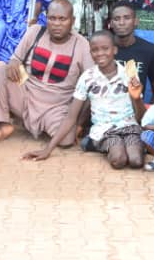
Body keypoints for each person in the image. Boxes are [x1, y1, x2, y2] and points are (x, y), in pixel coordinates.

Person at [23, 31, 146, 169]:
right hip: (105, 130)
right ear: (90, 53)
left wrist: (136, 99)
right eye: (95, 50)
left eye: (105, 48)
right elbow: (71, 117)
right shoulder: (87, 77)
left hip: (129, 127)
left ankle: (125, 145)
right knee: (119, 160)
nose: (100, 53)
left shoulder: (129, 74)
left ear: (115, 50)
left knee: (136, 161)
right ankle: (101, 144)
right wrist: (48, 149)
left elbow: (140, 116)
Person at [0, 0, 94, 144]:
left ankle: (39, 124)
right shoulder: (35, 32)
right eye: (52, 18)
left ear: (72, 20)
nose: (56, 24)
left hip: (56, 108)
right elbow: (15, 59)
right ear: (46, 18)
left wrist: (79, 123)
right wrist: (13, 62)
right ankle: (3, 124)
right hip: (26, 98)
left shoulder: (82, 44)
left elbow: (91, 85)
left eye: (62, 19)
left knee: (66, 141)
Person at [108, 1, 154, 104]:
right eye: (117, 19)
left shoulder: (149, 50)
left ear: (136, 21)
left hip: (136, 112)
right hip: (104, 111)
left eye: (127, 18)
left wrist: (148, 112)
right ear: (111, 23)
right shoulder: (104, 49)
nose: (121, 23)